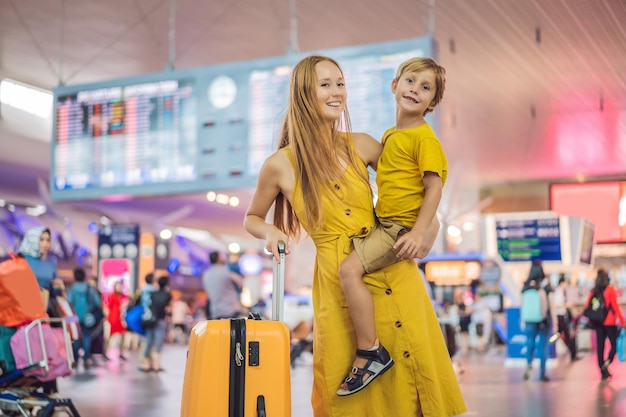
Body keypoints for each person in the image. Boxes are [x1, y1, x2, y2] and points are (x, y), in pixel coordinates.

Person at [244, 55, 465, 416]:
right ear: (303, 93)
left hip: (393, 268)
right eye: (325, 84)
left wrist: (430, 226)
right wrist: (269, 231)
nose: (336, 93)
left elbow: (417, 185)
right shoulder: (279, 164)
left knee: (414, 382)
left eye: (340, 84)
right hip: (338, 282)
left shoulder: (361, 144)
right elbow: (252, 217)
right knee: (346, 391)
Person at [336, 57, 446, 394]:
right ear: (394, 85)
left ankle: (371, 351)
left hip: (398, 228)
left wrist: (418, 231)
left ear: (432, 103)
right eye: (410, 81)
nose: (415, 90)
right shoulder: (392, 135)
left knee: (348, 271)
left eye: (425, 88)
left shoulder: (424, 140)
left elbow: (435, 186)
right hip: (384, 221)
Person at [586, 269, 625, 380]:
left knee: (600, 346)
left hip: (598, 323)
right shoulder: (610, 290)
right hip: (609, 322)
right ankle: (607, 363)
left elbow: (587, 307)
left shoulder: (593, 291)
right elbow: (615, 307)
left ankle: (602, 369)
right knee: (614, 344)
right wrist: (623, 321)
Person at [521, 260, 552, 382]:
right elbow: (551, 305)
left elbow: (521, 304)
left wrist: (522, 319)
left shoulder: (525, 286)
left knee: (530, 344)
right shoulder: (545, 286)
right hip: (543, 320)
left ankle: (528, 365)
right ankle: (542, 373)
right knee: (542, 346)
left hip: (529, 319)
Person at [67, 267, 102, 369]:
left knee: (76, 338)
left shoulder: (72, 288)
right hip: (88, 318)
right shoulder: (89, 288)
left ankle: (76, 360)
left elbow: (69, 302)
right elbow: (98, 303)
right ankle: (86, 359)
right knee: (86, 337)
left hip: (74, 318)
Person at [18, 226, 58, 310]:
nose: (46, 244)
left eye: (48, 240)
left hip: (44, 311)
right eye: (41, 239)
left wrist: (60, 288)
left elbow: (54, 291)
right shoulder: (21, 260)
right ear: (33, 239)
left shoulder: (51, 264)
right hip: (22, 309)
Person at [138, 275, 172, 372]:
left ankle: (146, 364)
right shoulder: (167, 294)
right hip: (160, 320)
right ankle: (156, 365)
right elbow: (167, 308)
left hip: (150, 319)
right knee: (158, 343)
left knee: (148, 341)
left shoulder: (152, 293)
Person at [201, 251, 244, 319]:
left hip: (215, 312)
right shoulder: (226, 270)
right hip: (231, 310)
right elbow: (240, 283)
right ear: (218, 259)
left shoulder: (206, 274)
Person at [553, 275, 578, 362]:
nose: (567, 285)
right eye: (566, 283)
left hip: (562, 316)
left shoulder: (561, 292)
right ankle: (572, 353)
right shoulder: (558, 292)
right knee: (564, 335)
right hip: (560, 317)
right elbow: (556, 305)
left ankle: (572, 353)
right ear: (562, 283)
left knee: (563, 335)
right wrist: (567, 305)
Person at [104, 281, 128, 361]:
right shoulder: (112, 296)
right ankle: (104, 352)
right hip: (112, 319)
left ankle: (121, 353)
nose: (119, 288)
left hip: (121, 319)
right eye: (118, 286)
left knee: (123, 337)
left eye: (120, 286)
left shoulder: (124, 297)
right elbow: (108, 307)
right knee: (108, 337)